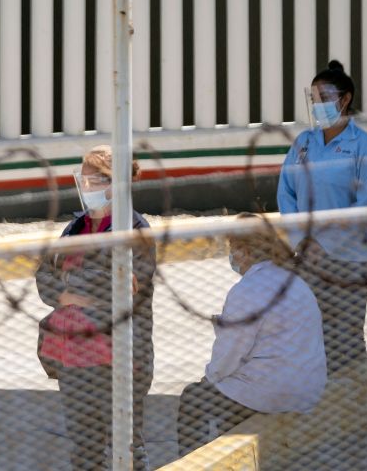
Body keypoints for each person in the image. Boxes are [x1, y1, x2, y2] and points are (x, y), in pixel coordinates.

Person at [35, 145, 155, 471]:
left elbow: (121, 283)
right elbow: (44, 275)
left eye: (97, 180)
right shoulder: (75, 228)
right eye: (84, 180)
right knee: (84, 447)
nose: (87, 188)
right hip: (73, 358)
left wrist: (73, 281)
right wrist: (64, 296)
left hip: (119, 356)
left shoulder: (135, 229)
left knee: (126, 445)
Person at [177, 214, 327, 455]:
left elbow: (230, 352)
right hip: (307, 388)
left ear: (244, 251)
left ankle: (191, 462)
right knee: (230, 391)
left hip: (271, 391)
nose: (232, 257)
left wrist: (211, 377)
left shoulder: (246, 289)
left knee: (194, 397)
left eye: (232, 249)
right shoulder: (295, 282)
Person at [277, 60, 367, 373]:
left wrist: (325, 245)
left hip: (349, 261)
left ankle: (353, 410)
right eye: (314, 98)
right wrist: (302, 241)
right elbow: (286, 194)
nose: (318, 104)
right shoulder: (304, 143)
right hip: (308, 258)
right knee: (311, 337)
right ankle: (320, 408)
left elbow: (366, 204)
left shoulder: (365, 147)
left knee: (347, 341)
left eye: (324, 96)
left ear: (345, 98)